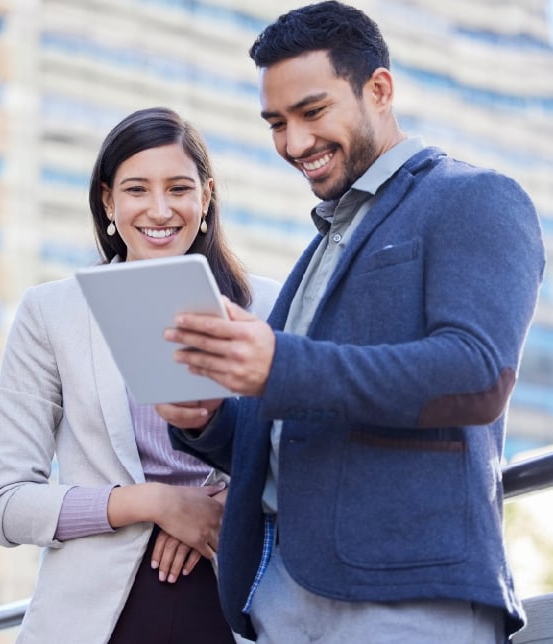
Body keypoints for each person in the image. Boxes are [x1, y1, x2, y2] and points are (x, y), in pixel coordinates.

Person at [156, 3, 546, 643]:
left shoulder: (473, 198)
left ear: (380, 89)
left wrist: (278, 363)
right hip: (280, 595)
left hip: (404, 590)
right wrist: (210, 418)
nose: (294, 143)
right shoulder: (321, 247)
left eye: (313, 113)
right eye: (276, 123)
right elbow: (298, 418)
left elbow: (476, 374)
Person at [0, 106, 280, 644]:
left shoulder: (271, 307)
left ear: (207, 197)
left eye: (180, 188)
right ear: (107, 200)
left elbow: (313, 463)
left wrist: (228, 506)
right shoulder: (53, 314)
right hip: (94, 622)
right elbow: (6, 503)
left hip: (242, 609)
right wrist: (157, 503)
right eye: (137, 189)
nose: (160, 210)